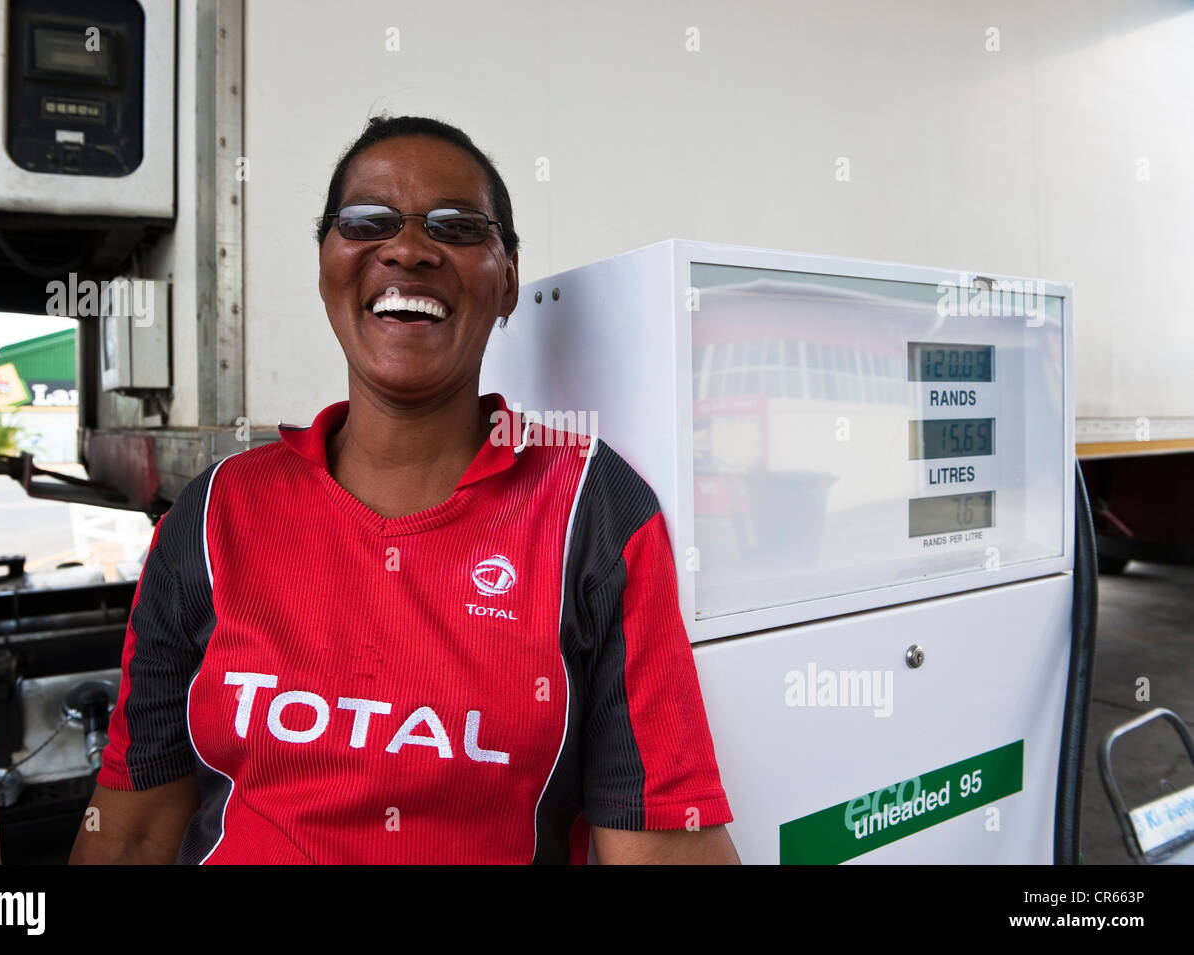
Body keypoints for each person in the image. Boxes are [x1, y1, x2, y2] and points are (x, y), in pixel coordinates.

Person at [70, 114, 739, 865]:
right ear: (327, 260)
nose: (409, 249)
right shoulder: (215, 511)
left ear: (509, 278)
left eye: (456, 227)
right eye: (366, 221)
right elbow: (131, 832)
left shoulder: (593, 507)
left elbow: (661, 844)